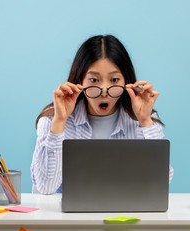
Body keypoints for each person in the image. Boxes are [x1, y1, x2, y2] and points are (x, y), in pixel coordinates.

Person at [31, 34, 173, 194]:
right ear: (80, 81)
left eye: (114, 80)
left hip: (124, 215)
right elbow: (46, 188)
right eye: (93, 80)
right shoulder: (51, 120)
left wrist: (145, 120)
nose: (104, 91)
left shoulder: (142, 120)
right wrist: (59, 121)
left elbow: (160, 183)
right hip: (67, 218)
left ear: (126, 82)